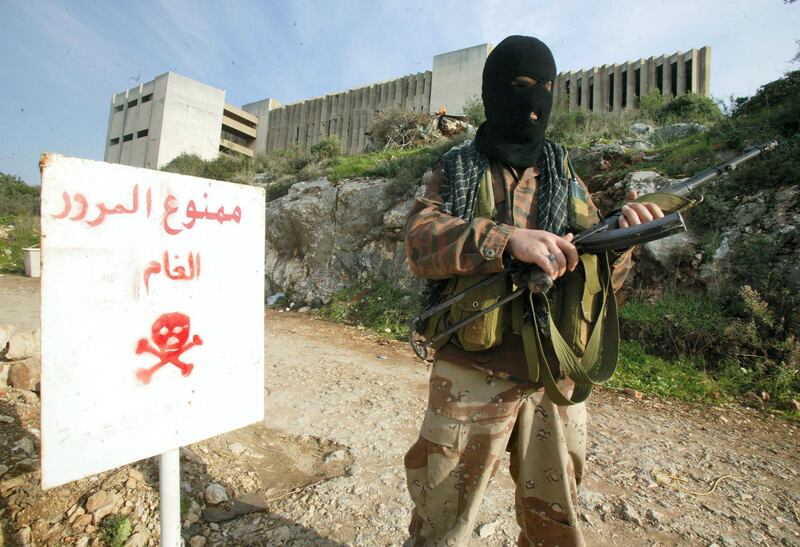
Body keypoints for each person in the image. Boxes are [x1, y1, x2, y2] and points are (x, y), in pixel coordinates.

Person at [403, 35, 664, 546]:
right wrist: (507, 240)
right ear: (495, 91)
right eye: (520, 87)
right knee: (441, 519)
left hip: (555, 373)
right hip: (471, 370)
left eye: (545, 87)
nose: (534, 101)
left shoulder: (567, 177)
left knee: (555, 523)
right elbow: (420, 244)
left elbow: (603, 284)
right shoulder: (455, 170)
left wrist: (624, 241)